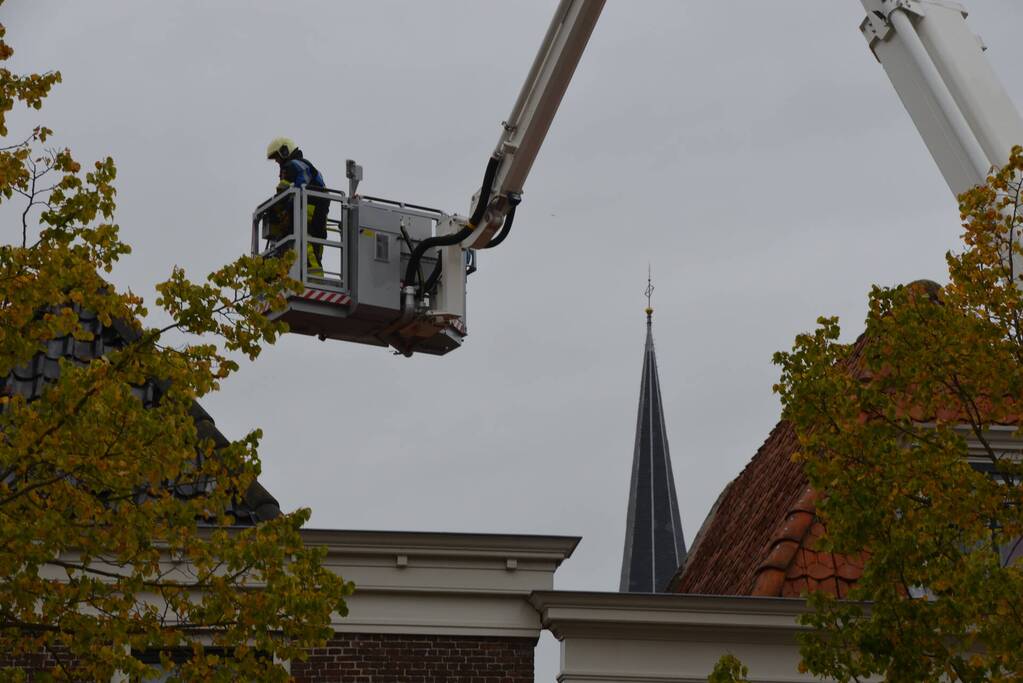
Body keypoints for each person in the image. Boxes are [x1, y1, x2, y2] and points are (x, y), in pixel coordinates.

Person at [265, 137, 329, 277]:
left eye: (277, 157)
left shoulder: (291, 165)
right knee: (315, 243)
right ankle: (313, 276)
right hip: (319, 207)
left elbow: (287, 190)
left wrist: (276, 210)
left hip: (308, 206)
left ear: (284, 151)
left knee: (304, 240)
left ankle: (313, 279)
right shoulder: (305, 165)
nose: (277, 161)